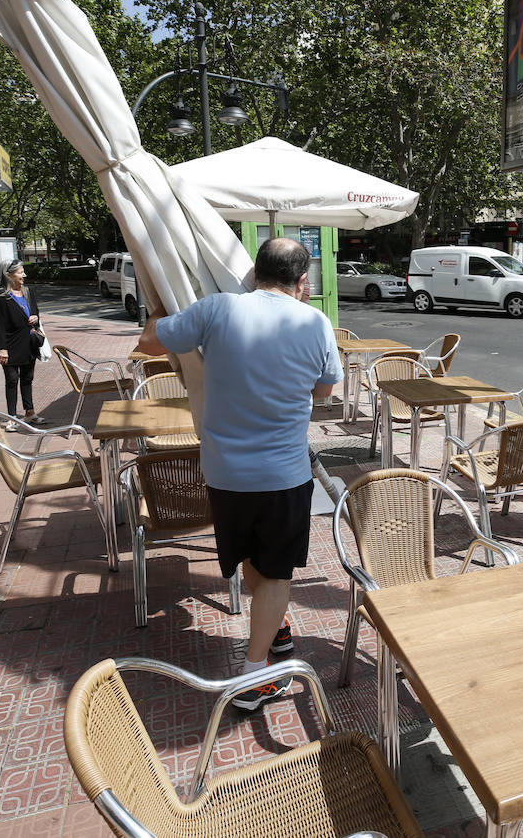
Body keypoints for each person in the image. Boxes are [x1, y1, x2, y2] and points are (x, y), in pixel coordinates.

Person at [136, 237, 342, 712]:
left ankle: (274, 626)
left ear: (254, 273)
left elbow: (148, 342)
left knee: (253, 559)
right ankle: (256, 673)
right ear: (302, 281)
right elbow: (325, 392)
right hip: (283, 474)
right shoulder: (315, 322)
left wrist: (158, 304)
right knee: (277, 571)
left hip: (225, 473)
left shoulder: (216, 309)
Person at [0, 260, 44, 431]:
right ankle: (11, 417)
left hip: (29, 342)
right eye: (20, 272)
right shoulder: (0, 295)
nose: (24, 276)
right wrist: (2, 349)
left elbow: (35, 312)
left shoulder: (27, 292)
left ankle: (29, 412)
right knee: (12, 380)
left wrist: (35, 317)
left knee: (27, 378)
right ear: (9, 274)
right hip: (10, 344)